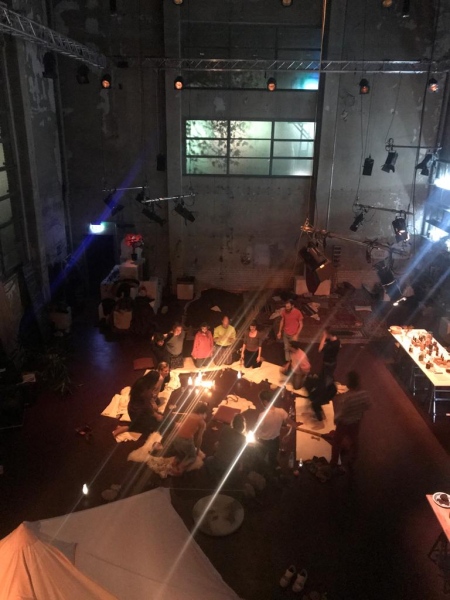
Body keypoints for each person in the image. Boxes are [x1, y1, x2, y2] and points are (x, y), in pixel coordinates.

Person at [330, 371, 371, 472]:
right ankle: (352, 460)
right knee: (354, 440)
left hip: (344, 424)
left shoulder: (347, 398)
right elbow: (368, 406)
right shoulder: (364, 395)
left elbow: (342, 413)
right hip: (356, 423)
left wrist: (335, 419)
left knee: (337, 442)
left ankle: (334, 462)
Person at [113, 371, 163, 438]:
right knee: (151, 427)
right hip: (137, 412)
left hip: (133, 407)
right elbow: (146, 406)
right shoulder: (145, 389)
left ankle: (134, 425)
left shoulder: (142, 381)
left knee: (157, 408)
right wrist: (156, 415)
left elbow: (147, 400)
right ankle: (126, 428)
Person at [256, 389, 296, 472]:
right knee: (273, 458)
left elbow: (257, 431)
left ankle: (261, 472)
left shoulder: (262, 416)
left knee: (260, 459)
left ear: (265, 402)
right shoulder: (281, 412)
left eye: (261, 401)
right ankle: (274, 469)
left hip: (263, 442)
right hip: (275, 441)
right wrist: (288, 435)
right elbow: (293, 424)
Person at [205, 414, 247, 479]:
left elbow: (218, 444)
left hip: (218, 461)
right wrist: (241, 465)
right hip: (230, 466)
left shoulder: (226, 429)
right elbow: (241, 455)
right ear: (243, 425)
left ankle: (212, 475)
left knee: (208, 460)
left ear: (233, 422)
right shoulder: (243, 438)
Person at [170, 402, 208, 473]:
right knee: (192, 457)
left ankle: (174, 463)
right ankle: (179, 468)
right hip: (186, 441)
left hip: (175, 439)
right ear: (204, 413)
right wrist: (197, 451)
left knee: (182, 454)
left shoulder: (188, 415)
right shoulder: (202, 422)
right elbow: (199, 439)